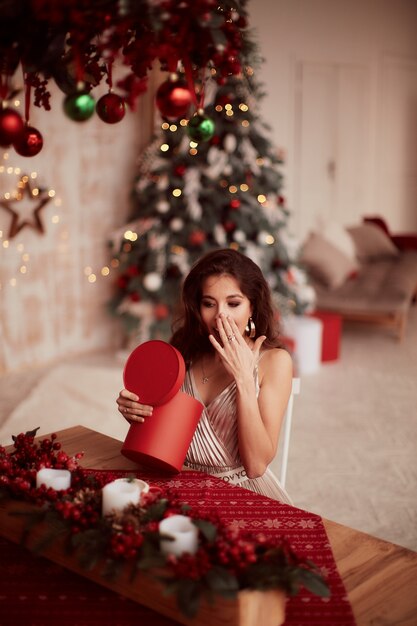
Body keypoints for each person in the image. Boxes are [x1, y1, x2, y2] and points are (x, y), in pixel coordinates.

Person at [117, 248, 293, 504]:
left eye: (233, 303)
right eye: (209, 303)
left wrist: (244, 378)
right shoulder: (184, 353)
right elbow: (159, 441)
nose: (220, 315)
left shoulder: (275, 361)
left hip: (244, 495)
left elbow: (256, 466)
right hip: (179, 485)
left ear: (252, 306)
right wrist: (134, 409)